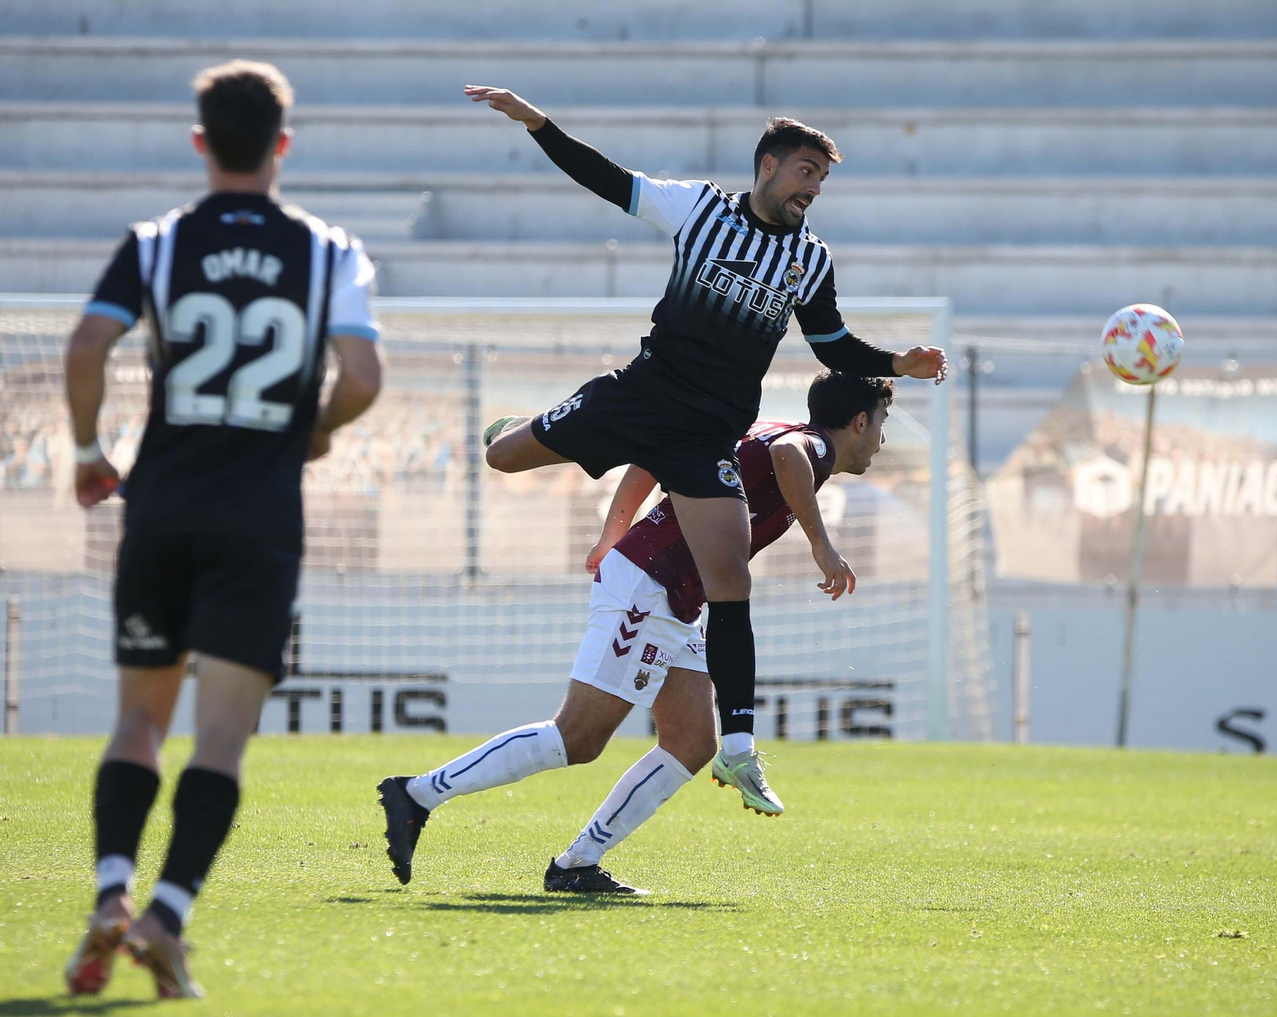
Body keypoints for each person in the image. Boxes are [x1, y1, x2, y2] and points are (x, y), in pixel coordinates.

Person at [464, 83, 946, 814]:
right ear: (768, 166)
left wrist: (893, 363)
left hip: (705, 434)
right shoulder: (700, 209)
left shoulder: (810, 262)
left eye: (822, 177)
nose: (813, 187)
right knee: (502, 458)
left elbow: (832, 346)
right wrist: (540, 124)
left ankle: (741, 743)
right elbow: (609, 179)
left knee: (730, 578)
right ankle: (511, 424)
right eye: (805, 171)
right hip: (640, 394)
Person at [62, 60, 383, 999]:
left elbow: (86, 345)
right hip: (258, 517)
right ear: (282, 145)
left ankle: (110, 894)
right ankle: (167, 915)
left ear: (201, 142)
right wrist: (310, 431)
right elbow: (363, 378)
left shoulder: (156, 243)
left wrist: (88, 448)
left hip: (159, 506)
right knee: (221, 739)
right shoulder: (329, 251)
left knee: (137, 721)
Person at [379, 372, 893, 894]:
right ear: (859, 421)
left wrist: (612, 533)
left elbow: (655, 457)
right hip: (649, 586)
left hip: (672, 595)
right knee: (577, 736)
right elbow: (789, 456)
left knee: (691, 742)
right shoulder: (810, 446)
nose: (880, 441)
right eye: (881, 424)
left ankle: (577, 863)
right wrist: (821, 545)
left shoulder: (761, 427)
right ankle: (418, 794)